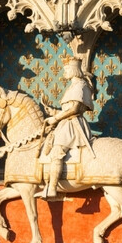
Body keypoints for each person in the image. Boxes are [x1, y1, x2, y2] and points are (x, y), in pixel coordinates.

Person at [39, 56, 94, 198]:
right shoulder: (73, 86)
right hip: (66, 123)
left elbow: (75, 108)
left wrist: (56, 118)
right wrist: (54, 111)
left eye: (67, 69)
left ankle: (52, 189)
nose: (64, 73)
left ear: (74, 70)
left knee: (57, 151)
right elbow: (69, 108)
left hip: (73, 125)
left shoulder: (81, 85)